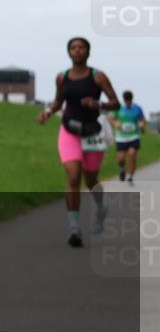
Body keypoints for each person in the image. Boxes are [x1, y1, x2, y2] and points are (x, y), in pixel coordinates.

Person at [37, 37, 120, 247]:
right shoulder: (62, 77)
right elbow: (58, 101)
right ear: (69, 52)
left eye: (81, 47)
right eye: (73, 48)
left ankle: (101, 209)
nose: (77, 51)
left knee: (91, 180)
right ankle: (74, 229)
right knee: (73, 176)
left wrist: (97, 103)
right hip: (69, 131)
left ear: (88, 52)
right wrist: (48, 112)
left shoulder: (98, 76)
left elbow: (115, 102)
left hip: (92, 132)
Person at [109, 90, 148, 185]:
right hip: (121, 137)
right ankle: (122, 169)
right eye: (126, 101)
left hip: (134, 136)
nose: (128, 102)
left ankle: (130, 176)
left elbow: (142, 120)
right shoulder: (118, 108)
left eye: (129, 101)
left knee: (132, 154)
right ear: (124, 100)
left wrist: (142, 126)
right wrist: (115, 123)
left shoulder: (137, 108)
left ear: (131, 99)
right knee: (121, 159)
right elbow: (111, 118)